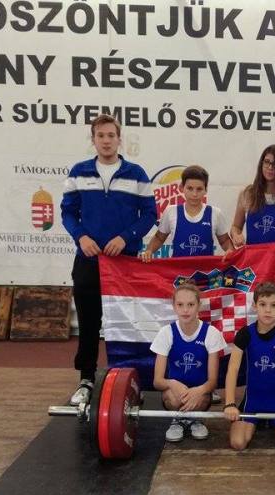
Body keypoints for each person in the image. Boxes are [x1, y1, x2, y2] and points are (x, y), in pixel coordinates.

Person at [61, 114, 156, 406]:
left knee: (128, 324)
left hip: (125, 264)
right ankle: (86, 379)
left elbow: (150, 214)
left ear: (119, 139)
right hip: (88, 261)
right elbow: (67, 213)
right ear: (93, 139)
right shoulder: (78, 172)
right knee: (89, 323)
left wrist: (126, 237)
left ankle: (131, 380)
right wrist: (81, 237)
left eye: (111, 135)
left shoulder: (136, 174)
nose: (106, 141)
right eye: (100, 136)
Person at [223, 282, 275, 451]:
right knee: (238, 443)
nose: (268, 310)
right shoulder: (245, 333)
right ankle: (259, 421)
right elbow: (232, 370)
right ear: (255, 306)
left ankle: (268, 421)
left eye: (273, 305)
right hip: (251, 402)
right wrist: (229, 404)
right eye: (263, 304)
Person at [150, 282, 226, 442]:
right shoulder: (166, 333)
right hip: (175, 394)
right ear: (174, 306)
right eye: (180, 305)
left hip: (201, 395)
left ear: (199, 305)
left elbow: (213, 382)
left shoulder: (211, 333)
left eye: (190, 304)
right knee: (173, 398)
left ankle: (196, 419)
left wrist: (198, 391)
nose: (185, 310)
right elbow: (157, 381)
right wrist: (172, 383)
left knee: (200, 399)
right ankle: (177, 420)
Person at [140, 165, 233, 261]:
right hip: (177, 269)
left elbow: (225, 240)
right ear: (182, 188)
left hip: (206, 270)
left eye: (199, 189)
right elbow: (159, 238)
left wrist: (230, 250)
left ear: (206, 190)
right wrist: (149, 251)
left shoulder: (215, 213)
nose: (194, 194)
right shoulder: (171, 211)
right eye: (190, 188)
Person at [229, 145, 275, 246]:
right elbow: (236, 227)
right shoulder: (247, 194)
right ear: (261, 163)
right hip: (252, 255)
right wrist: (236, 235)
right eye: (267, 162)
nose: (270, 167)